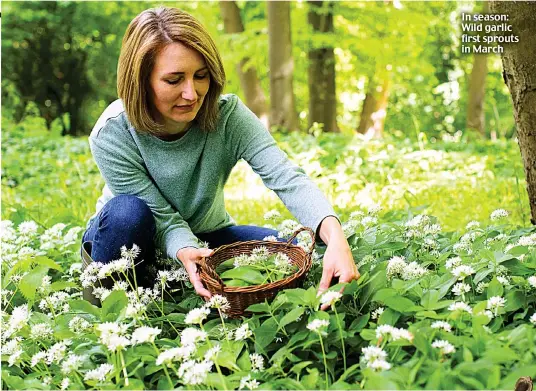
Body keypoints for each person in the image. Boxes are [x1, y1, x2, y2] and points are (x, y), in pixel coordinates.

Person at [82, 6, 359, 307]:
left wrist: (334, 234)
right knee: (127, 212)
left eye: (200, 76)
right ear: (141, 81)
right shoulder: (112, 132)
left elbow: (286, 177)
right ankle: (112, 298)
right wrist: (184, 249)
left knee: (297, 249)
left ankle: (180, 282)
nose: (191, 94)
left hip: (207, 238)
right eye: (174, 80)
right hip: (132, 239)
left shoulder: (228, 117)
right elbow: (161, 216)